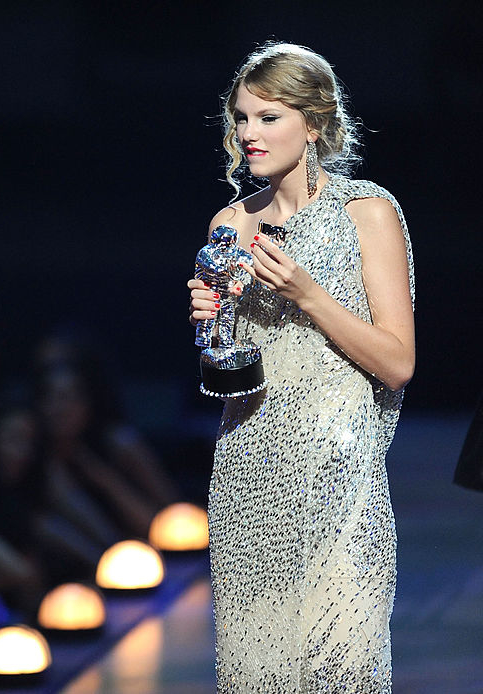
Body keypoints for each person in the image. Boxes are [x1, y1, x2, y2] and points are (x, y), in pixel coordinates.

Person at [187, 43, 415, 691]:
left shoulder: (366, 213)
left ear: (313, 124)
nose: (249, 134)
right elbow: (224, 375)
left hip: (342, 483)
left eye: (269, 117)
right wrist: (210, 325)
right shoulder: (231, 223)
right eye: (242, 118)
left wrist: (308, 294)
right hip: (250, 478)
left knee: (343, 668)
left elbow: (398, 363)